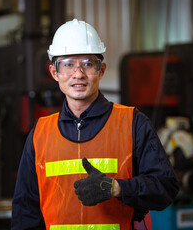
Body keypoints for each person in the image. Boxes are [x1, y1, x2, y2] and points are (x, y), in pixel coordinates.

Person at [11, 19, 179, 230]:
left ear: (102, 70)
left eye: (88, 64)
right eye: (68, 64)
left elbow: (166, 187)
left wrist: (118, 188)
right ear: (54, 72)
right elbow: (25, 212)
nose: (78, 73)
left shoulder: (132, 124)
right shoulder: (40, 134)